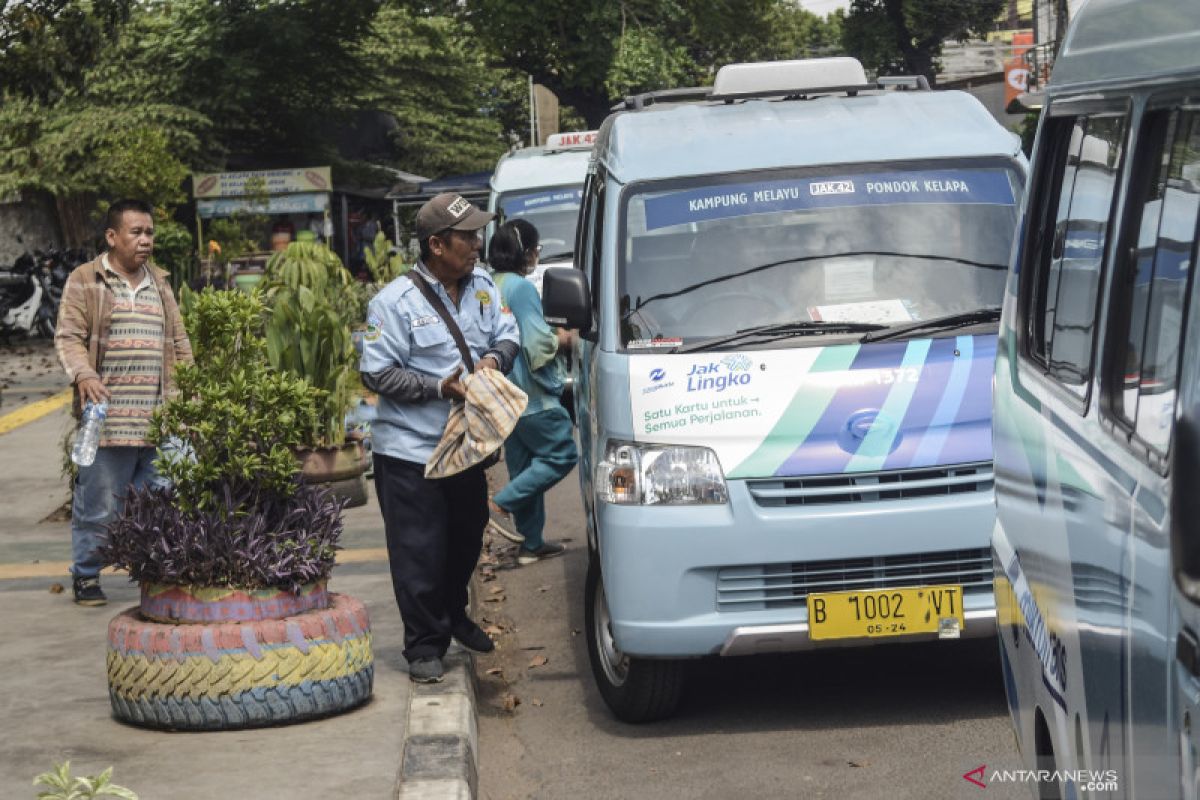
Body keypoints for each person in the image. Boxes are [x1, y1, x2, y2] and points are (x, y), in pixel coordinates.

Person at [359, 192, 520, 684]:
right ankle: (424, 645)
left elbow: (507, 333)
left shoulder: (485, 287)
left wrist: (493, 361)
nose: (477, 244)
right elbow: (375, 373)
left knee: (467, 536)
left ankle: (452, 613)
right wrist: (437, 387)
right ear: (436, 245)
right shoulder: (393, 303)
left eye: (477, 234)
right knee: (418, 551)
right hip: (411, 451)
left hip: (466, 445)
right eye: (466, 236)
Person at [54, 199, 193, 606]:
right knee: (98, 509)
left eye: (149, 232)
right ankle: (86, 575)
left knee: (165, 503)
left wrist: (190, 397)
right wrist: (84, 374)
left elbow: (181, 344)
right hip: (107, 424)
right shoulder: (86, 279)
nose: (146, 240)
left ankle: (157, 574)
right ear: (112, 237)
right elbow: (68, 337)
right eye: (137, 232)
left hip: (160, 421)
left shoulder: (160, 283)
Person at [486, 219, 578, 565]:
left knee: (524, 468)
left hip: (502, 397)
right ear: (525, 252)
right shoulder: (522, 288)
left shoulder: (487, 285)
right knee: (561, 454)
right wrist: (566, 339)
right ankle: (502, 501)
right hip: (532, 396)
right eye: (537, 249)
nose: (538, 255)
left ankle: (531, 544)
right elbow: (537, 343)